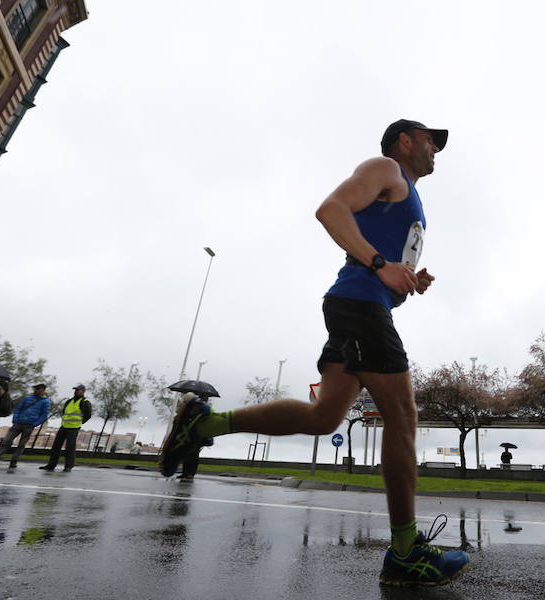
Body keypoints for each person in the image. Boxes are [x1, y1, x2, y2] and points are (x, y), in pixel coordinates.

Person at [159, 119, 468, 586]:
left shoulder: (408, 195)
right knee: (403, 416)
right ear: (404, 141)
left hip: (361, 303)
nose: (435, 150)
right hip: (360, 304)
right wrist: (383, 266)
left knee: (325, 417)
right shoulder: (386, 168)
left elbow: (381, 253)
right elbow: (330, 210)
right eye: (430, 140)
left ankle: (206, 422)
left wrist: (407, 278)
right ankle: (405, 551)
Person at [0, 383, 50, 468]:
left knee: (21, 444)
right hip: (18, 423)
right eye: (35, 389)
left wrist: (35, 424)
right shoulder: (27, 398)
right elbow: (18, 408)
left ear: (43, 390)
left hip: (29, 425)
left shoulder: (45, 402)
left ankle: (14, 461)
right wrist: (15, 419)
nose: (36, 390)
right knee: (6, 441)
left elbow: (44, 415)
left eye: (38, 389)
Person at [39, 384, 91, 472]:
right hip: (63, 427)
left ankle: (68, 466)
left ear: (83, 391)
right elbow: (64, 412)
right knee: (56, 446)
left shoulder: (85, 402)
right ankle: (51, 465)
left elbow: (88, 415)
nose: (76, 391)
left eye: (78, 390)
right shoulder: (69, 401)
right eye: (75, 389)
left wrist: (80, 423)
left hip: (74, 428)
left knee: (70, 447)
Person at [175, 392, 213, 482]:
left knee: (192, 455)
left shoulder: (204, 409)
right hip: (193, 433)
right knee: (189, 454)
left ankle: (189, 473)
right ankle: (187, 473)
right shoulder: (200, 408)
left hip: (196, 434)